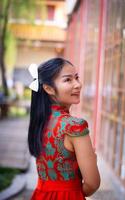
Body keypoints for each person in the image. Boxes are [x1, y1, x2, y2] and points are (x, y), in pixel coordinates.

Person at [28, 57, 100, 200]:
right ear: (48, 88)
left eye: (77, 78)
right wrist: (73, 192)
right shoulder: (74, 126)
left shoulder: (39, 122)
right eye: (68, 80)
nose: (78, 84)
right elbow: (92, 184)